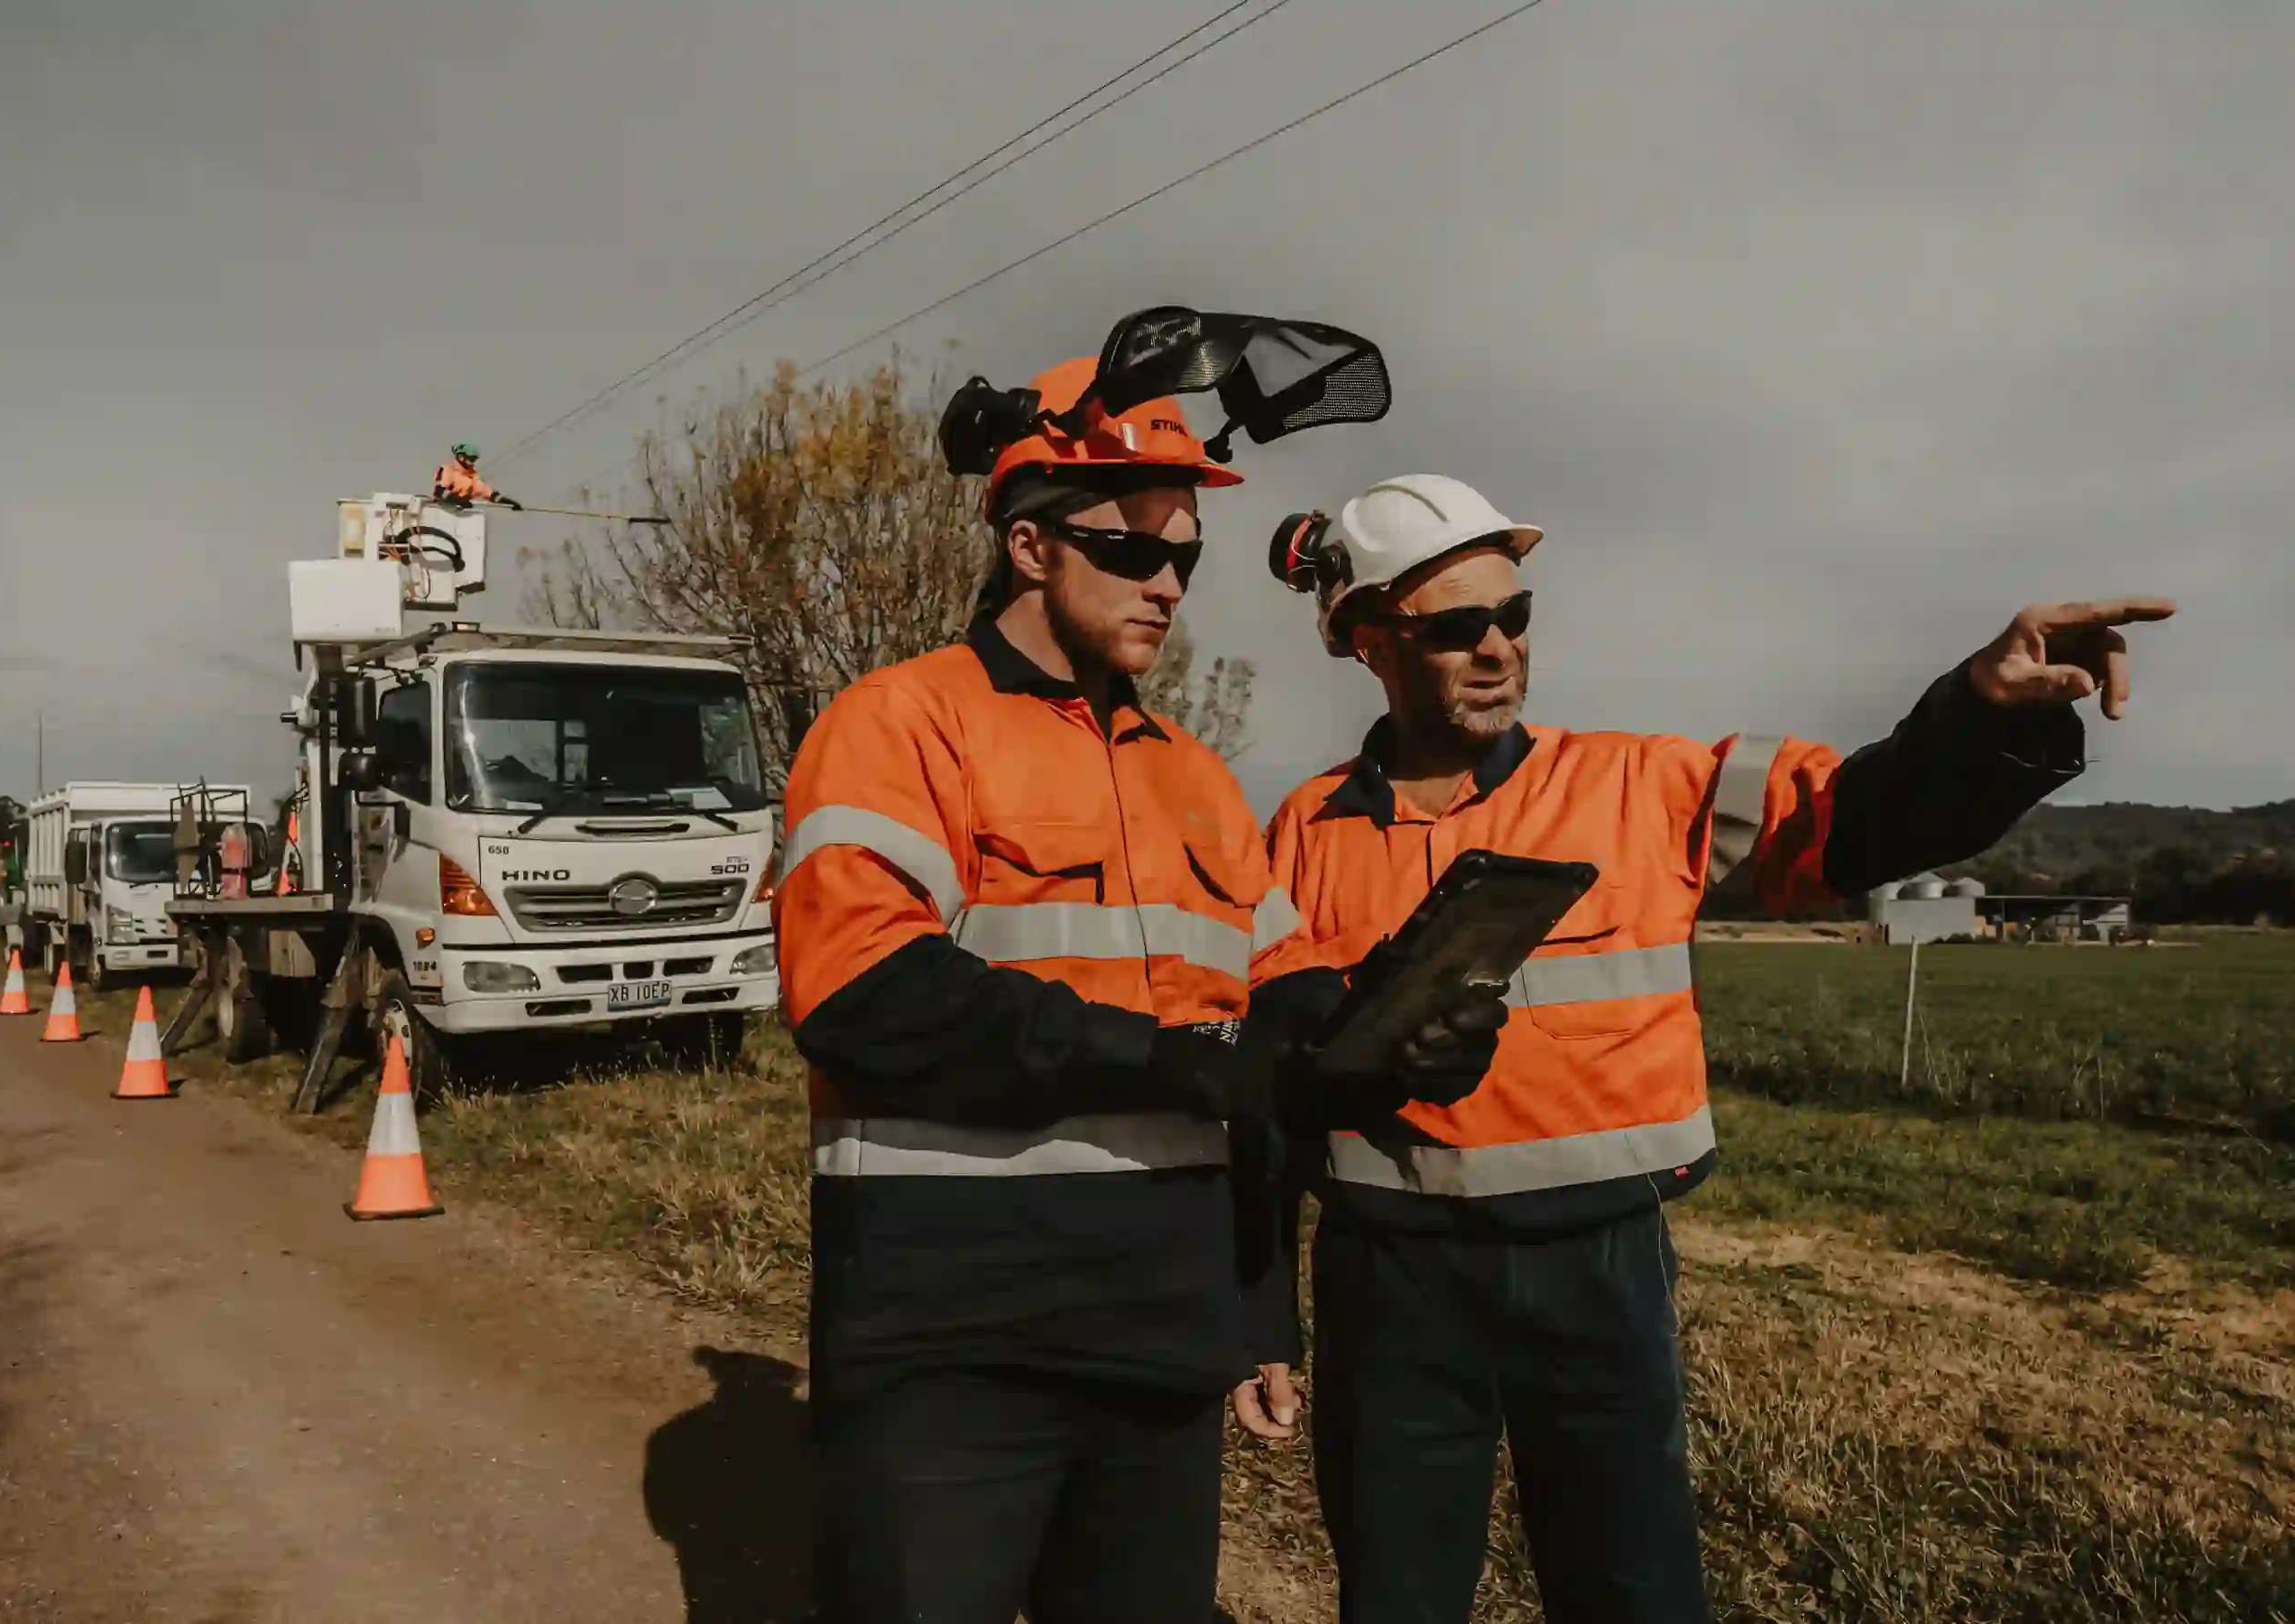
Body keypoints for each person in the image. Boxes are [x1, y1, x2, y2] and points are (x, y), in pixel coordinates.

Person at [1252, 473, 2173, 1623]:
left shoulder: (1646, 784)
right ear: (1367, 641)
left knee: (1633, 1591)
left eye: (1516, 615)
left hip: (1598, 1270)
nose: (1497, 647)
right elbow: (1276, 1081)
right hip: (1390, 1283)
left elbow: (1861, 817)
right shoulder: (1303, 829)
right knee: (1397, 1593)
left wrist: (1987, 713)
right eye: (1455, 626)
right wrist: (1259, 1315)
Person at [772, 360, 1481, 1623]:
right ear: (1031, 545)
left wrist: (1398, 1035)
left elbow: (1282, 1017)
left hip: (1157, 1345)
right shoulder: (899, 725)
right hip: (952, 1347)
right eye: (1131, 551)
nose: (1167, 585)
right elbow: (866, 993)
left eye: (1187, 561)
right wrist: (1179, 1061)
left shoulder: (1196, 779)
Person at [432, 441, 521, 509]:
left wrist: (507, 503)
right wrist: (456, 500)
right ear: (461, 457)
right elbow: (439, 491)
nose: (473, 463)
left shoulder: (472, 477)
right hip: (443, 510)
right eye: (471, 459)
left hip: (460, 515)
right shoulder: (447, 470)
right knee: (454, 499)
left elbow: (487, 492)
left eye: (474, 460)